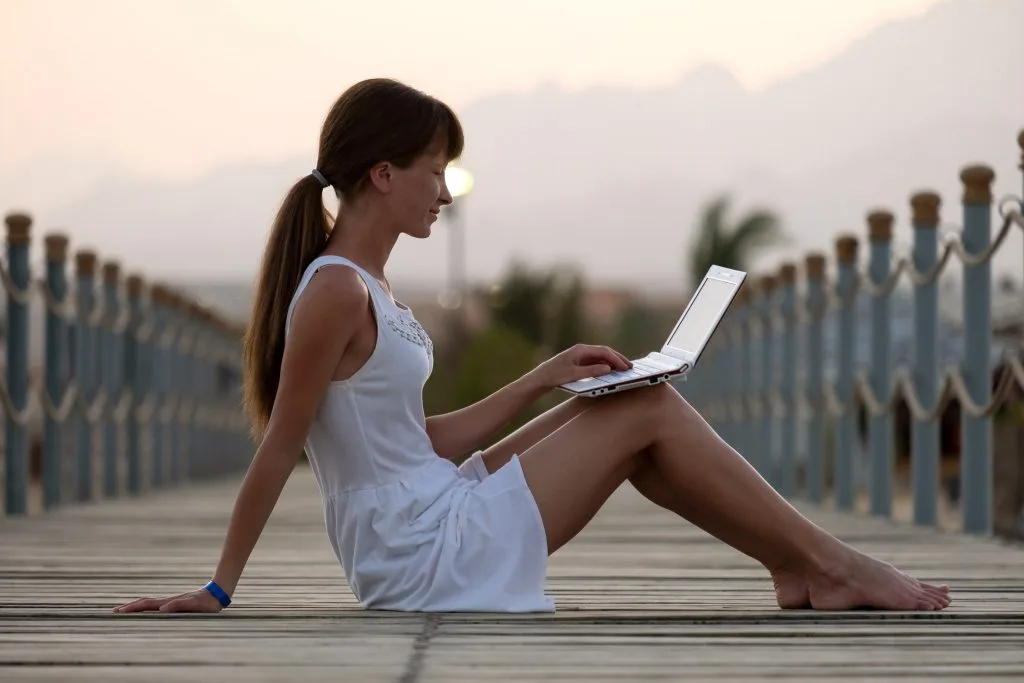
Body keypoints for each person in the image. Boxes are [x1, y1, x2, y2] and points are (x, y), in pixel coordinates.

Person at [114, 78, 950, 615]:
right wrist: (219, 588)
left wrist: (547, 380)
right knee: (650, 404)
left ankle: (799, 567)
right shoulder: (334, 289)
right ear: (381, 173)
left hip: (430, 505)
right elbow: (281, 448)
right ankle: (830, 563)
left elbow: (417, 440)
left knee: (628, 401)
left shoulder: (368, 286)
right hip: (415, 551)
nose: (444, 191)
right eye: (433, 169)